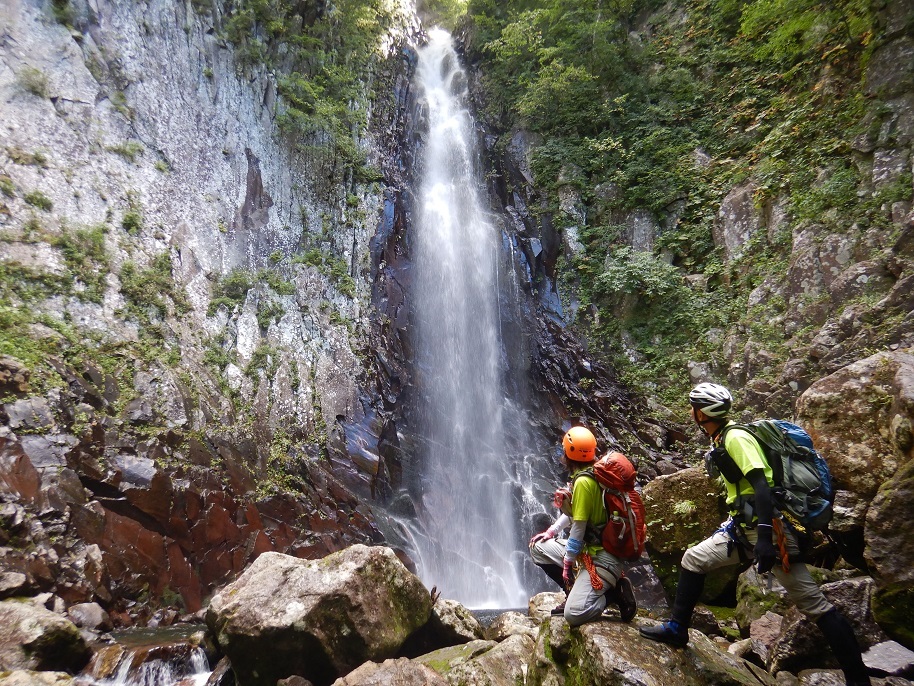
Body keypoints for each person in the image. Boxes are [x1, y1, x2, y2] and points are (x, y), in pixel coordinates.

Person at [639, 383, 871, 686]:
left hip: (768, 533)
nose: (690, 412)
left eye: (693, 406)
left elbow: (762, 486)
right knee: (693, 558)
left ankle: (858, 678)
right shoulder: (724, 436)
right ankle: (677, 629)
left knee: (814, 605)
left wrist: (763, 539)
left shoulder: (736, 437)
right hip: (743, 530)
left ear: (702, 412)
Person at [529, 426, 637, 626]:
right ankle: (572, 592)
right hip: (587, 552)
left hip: (602, 557)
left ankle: (613, 595)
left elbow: (578, 527)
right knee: (538, 548)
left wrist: (568, 563)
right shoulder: (592, 475)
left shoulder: (583, 482)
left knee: (574, 615)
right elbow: (575, 515)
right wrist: (551, 532)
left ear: (568, 453)